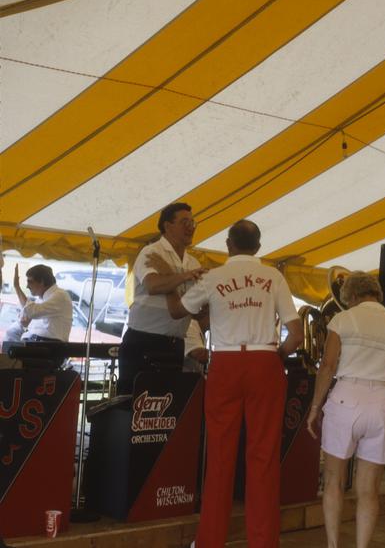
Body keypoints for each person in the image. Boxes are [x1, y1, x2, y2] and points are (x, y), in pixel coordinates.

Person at [163, 219, 303, 548]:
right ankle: (263, 542)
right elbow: (296, 335)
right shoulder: (274, 276)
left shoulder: (213, 277)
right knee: (263, 457)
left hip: (225, 363)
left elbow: (177, 311)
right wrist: (278, 356)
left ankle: (210, 541)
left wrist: (170, 282)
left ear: (228, 245)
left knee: (220, 457)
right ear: (258, 247)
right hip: (264, 361)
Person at [307, 271, 385, 548]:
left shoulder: (343, 319)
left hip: (346, 399)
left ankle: (333, 545)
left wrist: (315, 407)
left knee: (333, 481)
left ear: (351, 296)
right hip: (383, 402)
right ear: (377, 294)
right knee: (369, 489)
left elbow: (328, 366)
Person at [117, 202, 205, 394]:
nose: (191, 227)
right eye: (184, 222)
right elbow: (153, 285)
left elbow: (193, 308)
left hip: (175, 345)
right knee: (133, 402)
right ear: (167, 226)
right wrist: (184, 276)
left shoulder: (193, 262)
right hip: (143, 341)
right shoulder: (151, 252)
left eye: (193, 223)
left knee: (167, 404)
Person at [4, 264, 73, 343]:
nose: (27, 286)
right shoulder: (40, 299)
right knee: (12, 332)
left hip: (49, 346)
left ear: (42, 282)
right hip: (37, 343)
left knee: (13, 334)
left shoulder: (60, 295)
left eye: (30, 282)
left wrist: (17, 287)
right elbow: (28, 318)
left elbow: (32, 312)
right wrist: (25, 324)